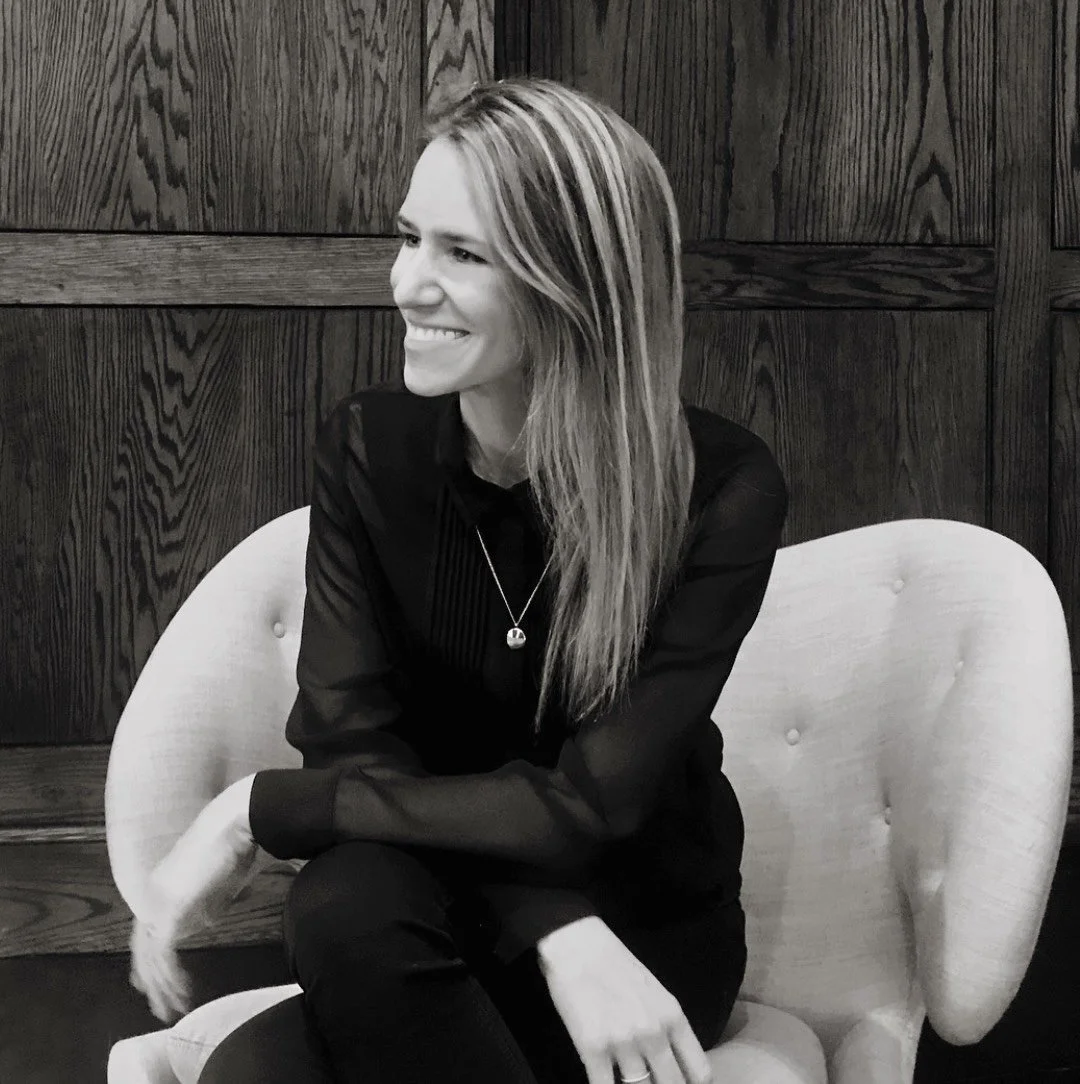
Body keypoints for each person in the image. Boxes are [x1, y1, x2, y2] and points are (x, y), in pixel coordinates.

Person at [129, 76, 789, 1084]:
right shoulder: (367, 446)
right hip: (443, 909)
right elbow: (354, 743)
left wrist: (256, 807)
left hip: (640, 932)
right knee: (340, 901)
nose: (407, 284)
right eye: (409, 237)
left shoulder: (722, 489)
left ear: (575, 283)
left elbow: (591, 805)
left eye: (463, 254)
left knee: (267, 1051)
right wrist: (552, 928)